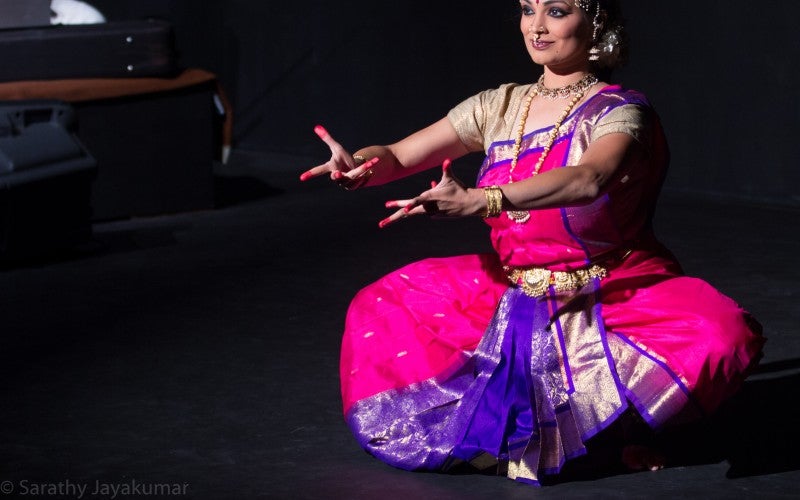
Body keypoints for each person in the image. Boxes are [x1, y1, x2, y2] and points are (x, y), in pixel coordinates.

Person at [300, 0, 765, 487]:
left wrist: (485, 200)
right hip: (517, 289)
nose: (536, 26)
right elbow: (396, 155)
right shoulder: (499, 105)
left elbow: (589, 178)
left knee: (719, 335)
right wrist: (359, 165)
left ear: (596, 22)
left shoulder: (622, 111)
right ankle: (592, 436)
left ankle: (623, 430)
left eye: (556, 11)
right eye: (527, 9)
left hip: (610, 291)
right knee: (383, 304)